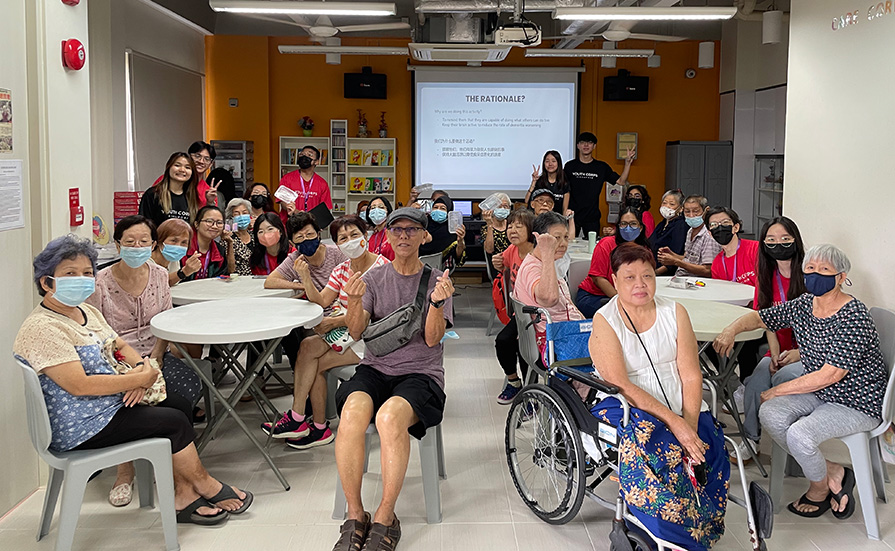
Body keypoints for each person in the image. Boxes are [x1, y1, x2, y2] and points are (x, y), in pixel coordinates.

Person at [14, 234, 253, 526]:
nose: (82, 279)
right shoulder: (43, 327)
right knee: (173, 421)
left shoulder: (84, 311)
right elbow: (79, 384)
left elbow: (118, 346)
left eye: (87, 273)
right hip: (81, 424)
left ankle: (184, 492)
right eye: (70, 274)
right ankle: (204, 484)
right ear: (46, 282)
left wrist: (143, 371)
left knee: (178, 404)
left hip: (105, 405)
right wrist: (137, 380)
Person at [714, 244, 887, 520]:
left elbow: (831, 374)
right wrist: (731, 329)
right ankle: (834, 472)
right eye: (810, 269)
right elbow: (762, 317)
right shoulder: (806, 304)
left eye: (824, 270)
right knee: (770, 413)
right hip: (823, 392)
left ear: (841, 277)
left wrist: (777, 390)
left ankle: (818, 488)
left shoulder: (853, 315)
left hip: (856, 401)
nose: (815, 274)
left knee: (799, 433)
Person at [589, 242, 729, 551]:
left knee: (710, 444)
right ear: (614, 281)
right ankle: (672, 537)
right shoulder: (605, 320)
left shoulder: (675, 312)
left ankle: (702, 526)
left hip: (679, 397)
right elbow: (621, 384)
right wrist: (675, 424)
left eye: (647, 276)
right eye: (629, 277)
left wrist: (689, 423)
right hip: (625, 402)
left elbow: (692, 375)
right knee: (663, 448)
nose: (640, 284)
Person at [332, 208, 453, 551]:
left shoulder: (437, 280)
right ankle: (356, 515)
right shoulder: (372, 279)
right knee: (353, 413)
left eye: (411, 229)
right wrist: (354, 301)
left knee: (388, 418)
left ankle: (386, 516)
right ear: (386, 235)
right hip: (375, 369)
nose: (403, 236)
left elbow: (432, 340)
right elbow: (356, 332)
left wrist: (436, 304)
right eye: (396, 229)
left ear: (424, 236)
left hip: (421, 374)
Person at [86, 216, 203, 507]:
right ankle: (124, 469)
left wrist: (156, 359)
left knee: (188, 392)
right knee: (126, 399)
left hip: (154, 353)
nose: (136, 247)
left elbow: (164, 322)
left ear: (153, 244)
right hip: (116, 360)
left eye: (143, 242)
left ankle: (178, 472)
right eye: (129, 242)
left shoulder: (160, 275)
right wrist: (137, 375)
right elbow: (98, 336)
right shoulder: (100, 283)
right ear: (117, 244)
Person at [261, 215, 389, 449]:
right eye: (343, 238)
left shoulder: (382, 268)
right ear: (337, 244)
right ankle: (300, 418)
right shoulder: (342, 269)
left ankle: (314, 426)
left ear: (366, 237)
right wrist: (306, 279)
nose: (349, 241)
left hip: (371, 339)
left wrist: (333, 323)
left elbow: (368, 318)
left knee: (316, 364)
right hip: (346, 335)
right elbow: (321, 301)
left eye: (354, 235)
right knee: (307, 346)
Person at [730, 216, 809, 460]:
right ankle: (751, 440)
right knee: (755, 383)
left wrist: (799, 354)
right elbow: (765, 319)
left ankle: (791, 441)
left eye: (785, 239)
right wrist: (774, 353)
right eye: (771, 240)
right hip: (780, 350)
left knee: (783, 379)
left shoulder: (810, 274)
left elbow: (821, 325)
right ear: (763, 244)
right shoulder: (766, 275)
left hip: (809, 353)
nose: (778, 245)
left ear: (796, 241)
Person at [265, 212, 347, 366]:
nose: (307, 240)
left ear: (319, 234)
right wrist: (301, 285)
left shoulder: (337, 254)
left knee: (314, 356)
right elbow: (270, 281)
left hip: (340, 314)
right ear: (292, 242)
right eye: (300, 238)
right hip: (313, 318)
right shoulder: (296, 259)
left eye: (310, 234)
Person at [513, 211, 584, 363]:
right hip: (554, 340)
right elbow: (549, 299)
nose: (564, 243)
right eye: (556, 238)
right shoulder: (533, 267)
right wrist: (547, 252)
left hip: (567, 331)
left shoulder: (546, 263)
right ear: (540, 239)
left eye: (565, 237)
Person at [490, 208, 535, 404]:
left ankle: (531, 394)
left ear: (531, 230)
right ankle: (514, 382)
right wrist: (497, 262)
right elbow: (502, 266)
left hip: (535, 313)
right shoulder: (513, 250)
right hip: (519, 313)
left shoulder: (536, 253)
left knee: (523, 347)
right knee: (503, 341)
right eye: (510, 226)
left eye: (519, 226)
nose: (512, 230)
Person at [576, 207, 651, 318]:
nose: (628, 228)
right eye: (624, 224)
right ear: (618, 227)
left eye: (633, 224)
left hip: (630, 296)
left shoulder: (644, 250)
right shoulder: (606, 244)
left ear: (640, 227)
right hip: (595, 296)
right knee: (623, 314)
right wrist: (621, 301)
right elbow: (598, 278)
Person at [564, 132, 635, 237]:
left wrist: (627, 163)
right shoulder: (570, 166)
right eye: (583, 142)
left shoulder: (601, 167)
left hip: (592, 217)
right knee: (568, 246)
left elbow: (621, 181)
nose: (586, 145)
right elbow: (565, 190)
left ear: (594, 146)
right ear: (578, 145)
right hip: (572, 216)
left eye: (589, 143)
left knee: (592, 249)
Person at [656, 195, 720, 278]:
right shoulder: (690, 231)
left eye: (696, 211)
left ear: (706, 210)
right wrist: (672, 255)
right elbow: (688, 258)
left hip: (698, 283)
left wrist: (676, 262)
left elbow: (708, 271)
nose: (691, 215)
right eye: (687, 211)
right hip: (682, 278)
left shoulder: (709, 236)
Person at [150, 141, 222, 208]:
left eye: (207, 159)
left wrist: (210, 203)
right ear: (189, 157)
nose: (201, 161)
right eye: (197, 156)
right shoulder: (167, 179)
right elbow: (150, 203)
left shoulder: (208, 191)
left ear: (210, 164)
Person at [139, 152, 202, 227]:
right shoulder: (153, 194)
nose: (182, 170)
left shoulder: (192, 196)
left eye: (187, 167)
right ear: (169, 167)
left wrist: (210, 202)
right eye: (177, 165)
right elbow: (144, 225)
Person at [277, 145, 333, 225]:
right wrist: (296, 212)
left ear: (316, 161)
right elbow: (282, 201)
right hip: (288, 225)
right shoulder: (287, 178)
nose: (304, 157)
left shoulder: (322, 183)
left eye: (309, 155)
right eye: (302, 154)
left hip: (311, 227)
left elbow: (325, 208)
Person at [706, 206, 759, 286]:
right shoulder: (717, 264)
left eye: (725, 222)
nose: (720, 227)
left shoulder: (755, 249)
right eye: (714, 225)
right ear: (710, 234)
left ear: (736, 227)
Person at [180, 205, 229, 282]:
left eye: (219, 223)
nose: (215, 226)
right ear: (196, 224)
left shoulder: (220, 251)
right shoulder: (183, 246)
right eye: (209, 221)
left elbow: (221, 277)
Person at [419, 196, 466, 270]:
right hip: (416, 268)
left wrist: (460, 242)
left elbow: (457, 258)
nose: (438, 210)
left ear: (449, 212)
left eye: (443, 208)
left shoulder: (452, 230)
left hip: (441, 270)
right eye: (435, 207)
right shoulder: (422, 225)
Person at [151, 218, 201, 287]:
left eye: (184, 242)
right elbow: (156, 286)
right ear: (160, 240)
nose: (178, 246)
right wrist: (184, 272)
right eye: (174, 240)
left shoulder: (173, 260)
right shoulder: (145, 262)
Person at [651, 190, 689, 275]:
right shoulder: (662, 223)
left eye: (672, 204)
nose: (667, 206)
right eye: (664, 203)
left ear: (681, 208)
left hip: (668, 274)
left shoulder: (681, 225)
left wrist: (656, 273)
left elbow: (676, 255)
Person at [224, 198, 255, 276]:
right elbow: (230, 269)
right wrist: (230, 243)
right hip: (238, 280)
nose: (241, 216)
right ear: (231, 217)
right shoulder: (228, 238)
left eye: (244, 213)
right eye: (237, 214)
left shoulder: (255, 235)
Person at [364, 195, 395, 261]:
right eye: (373, 208)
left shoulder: (394, 233)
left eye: (381, 207)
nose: (376, 210)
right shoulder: (373, 237)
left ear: (388, 211)